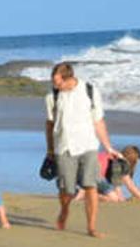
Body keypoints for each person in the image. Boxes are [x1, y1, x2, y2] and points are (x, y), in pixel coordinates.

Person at [45, 62, 119, 238]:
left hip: (88, 145)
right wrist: (50, 150)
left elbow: (98, 121)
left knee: (90, 186)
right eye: (53, 81)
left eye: (57, 82)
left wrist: (108, 147)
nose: (54, 85)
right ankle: (64, 211)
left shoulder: (90, 91)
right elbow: (49, 125)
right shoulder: (52, 96)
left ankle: (91, 227)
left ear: (69, 78)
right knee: (67, 191)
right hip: (64, 147)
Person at [74, 145, 140, 205]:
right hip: (94, 176)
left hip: (80, 173)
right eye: (136, 162)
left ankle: (81, 191)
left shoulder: (112, 155)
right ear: (132, 160)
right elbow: (130, 186)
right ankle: (86, 194)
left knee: (105, 189)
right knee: (114, 199)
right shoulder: (122, 163)